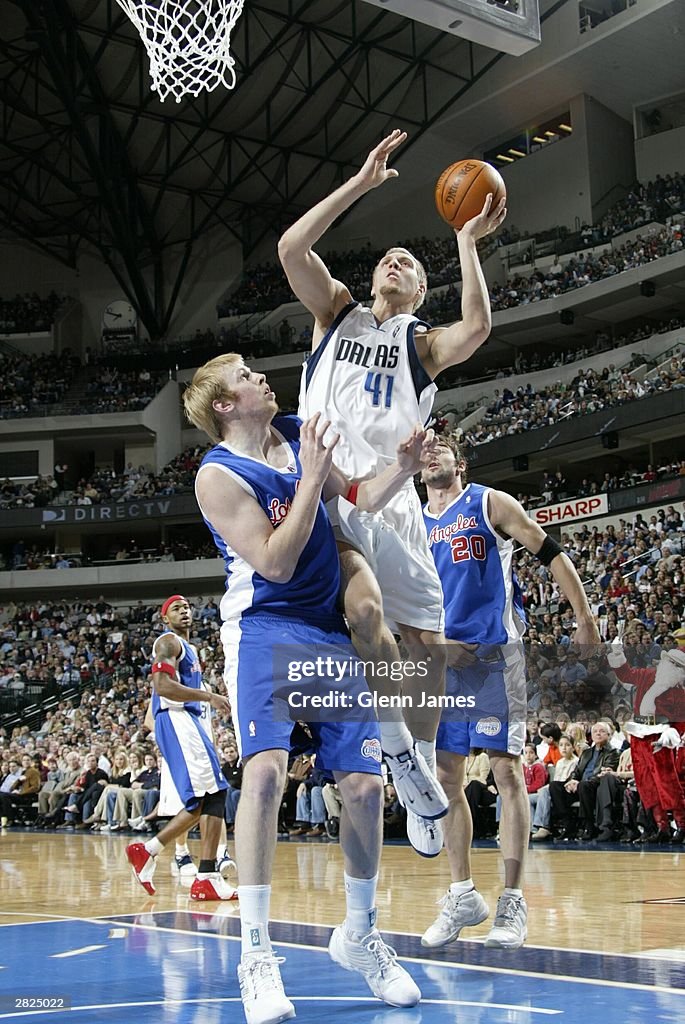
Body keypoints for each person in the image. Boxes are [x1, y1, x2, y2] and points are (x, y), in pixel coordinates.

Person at [183, 353, 432, 1024]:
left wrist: (402, 467)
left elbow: (354, 498)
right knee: (263, 773)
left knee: (362, 786)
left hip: (325, 628)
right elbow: (276, 560)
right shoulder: (217, 475)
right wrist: (311, 477)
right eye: (243, 374)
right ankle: (255, 954)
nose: (259, 374)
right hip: (264, 625)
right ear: (224, 405)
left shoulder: (295, 429)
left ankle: (360, 934)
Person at [278, 129, 507, 855]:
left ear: (416, 291)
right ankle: (398, 757)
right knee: (367, 610)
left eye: (407, 262)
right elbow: (290, 251)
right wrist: (359, 184)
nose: (393, 260)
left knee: (427, 649)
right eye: (387, 255)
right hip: (334, 490)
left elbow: (476, 327)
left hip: (397, 496)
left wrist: (466, 242)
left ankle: (414, 781)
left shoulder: (419, 343)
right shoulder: (335, 313)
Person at [419, 434, 600, 949]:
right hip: (446, 661)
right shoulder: (413, 522)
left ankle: (513, 902)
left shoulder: (488, 501)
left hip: (498, 653)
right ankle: (461, 893)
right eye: (424, 450)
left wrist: (583, 619)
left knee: (505, 770)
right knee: (446, 775)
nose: (431, 454)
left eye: (442, 448)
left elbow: (552, 553)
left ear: (461, 460)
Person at [125, 595, 236, 902]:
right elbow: (161, 686)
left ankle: (152, 853)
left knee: (212, 795)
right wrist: (207, 696)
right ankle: (202, 873)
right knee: (212, 794)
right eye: (176, 608)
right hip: (175, 719)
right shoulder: (168, 642)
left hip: (188, 721)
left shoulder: (191, 649)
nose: (184, 611)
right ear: (165, 618)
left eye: (187, 607)